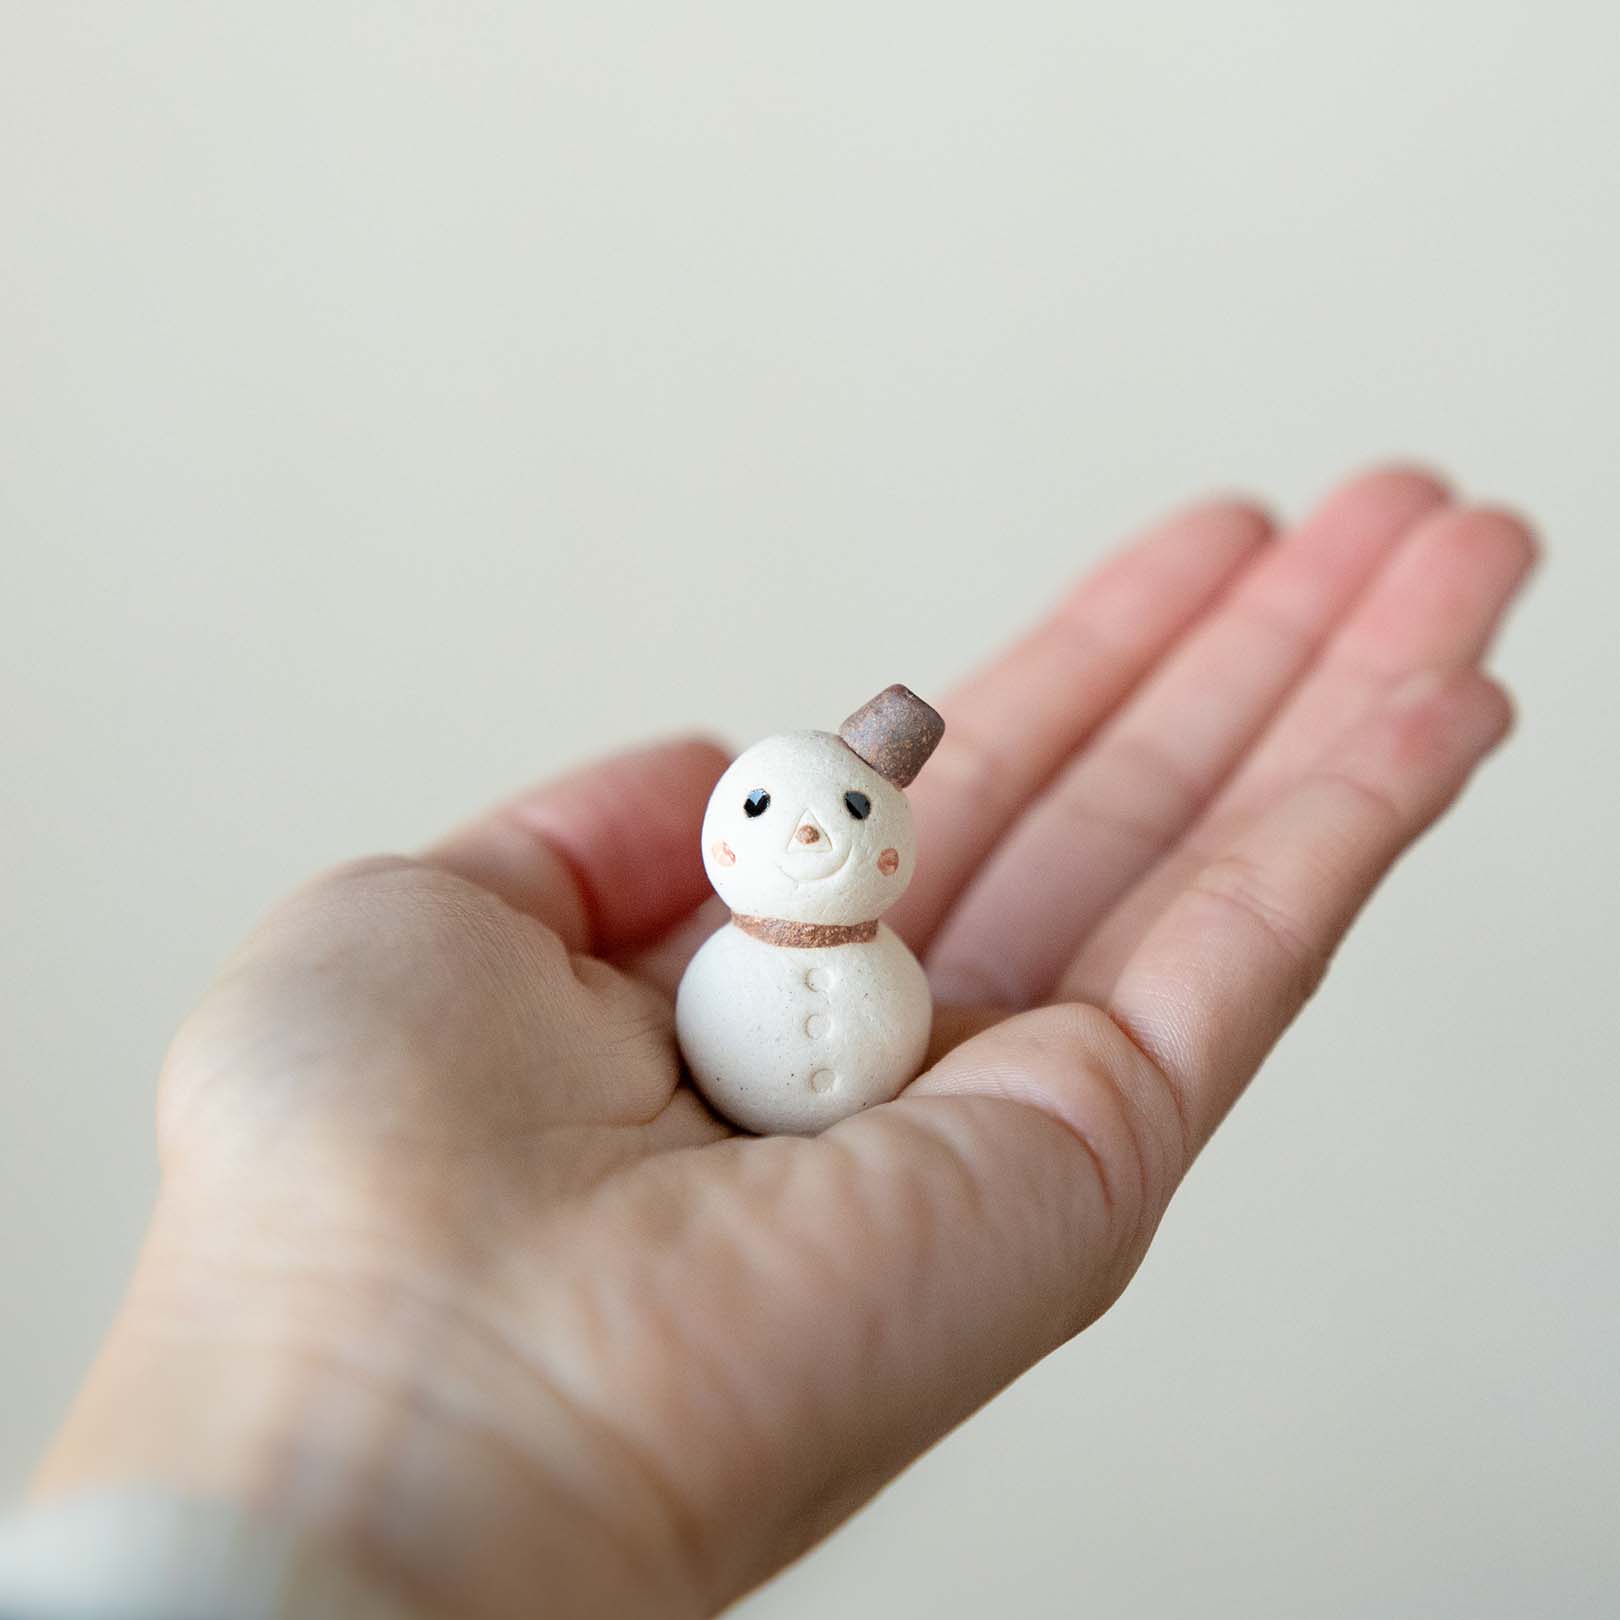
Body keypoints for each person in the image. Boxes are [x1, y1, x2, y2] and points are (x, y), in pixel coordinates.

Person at [0, 467, 1535, 1619]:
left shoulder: (881, 967)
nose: (802, 828)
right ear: (730, 824)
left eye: (836, 813)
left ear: (879, 835)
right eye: (767, 811)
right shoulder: (741, 963)